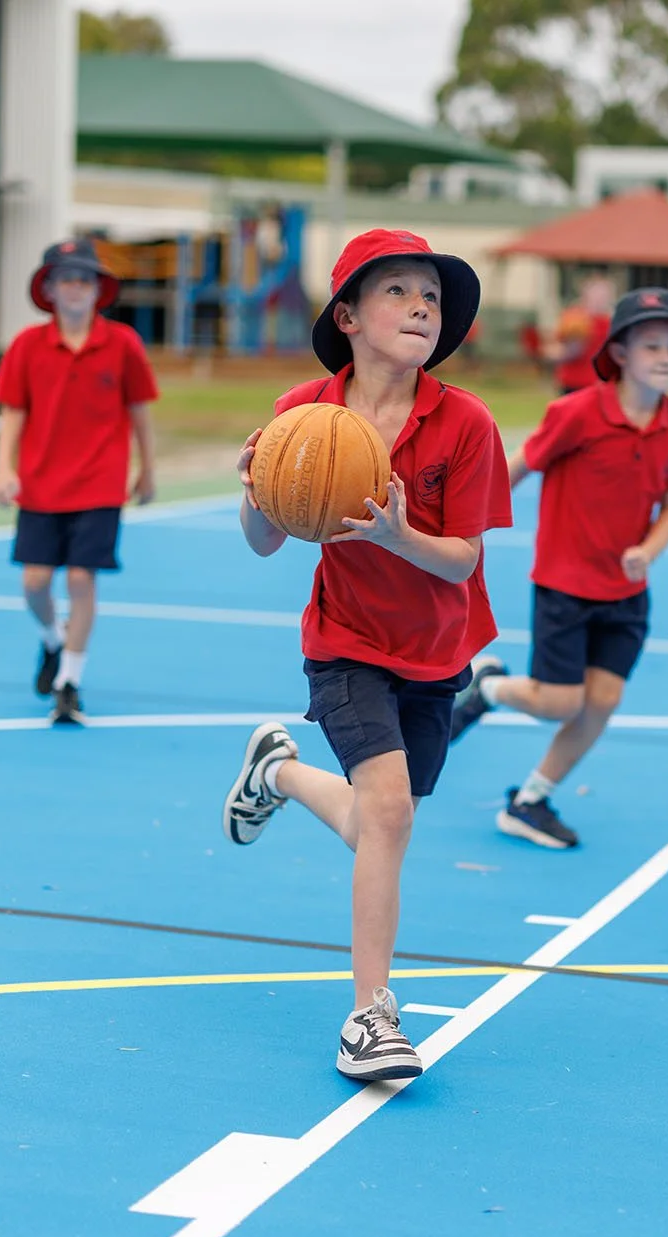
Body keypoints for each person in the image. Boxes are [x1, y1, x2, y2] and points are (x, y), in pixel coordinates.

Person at [222, 229, 511, 1082]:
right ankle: (369, 1016)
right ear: (347, 315)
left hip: (437, 647)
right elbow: (266, 543)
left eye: (432, 295)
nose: (422, 304)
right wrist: (255, 493)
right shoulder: (303, 417)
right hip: (345, 642)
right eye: (398, 292)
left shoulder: (464, 422)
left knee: (378, 819)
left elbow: (462, 558)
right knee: (386, 813)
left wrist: (397, 535)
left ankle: (274, 774)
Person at [449, 288, 668, 849]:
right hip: (565, 585)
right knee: (559, 703)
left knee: (604, 702)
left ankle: (531, 799)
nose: (666, 357)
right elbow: (520, 467)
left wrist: (649, 551)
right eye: (652, 345)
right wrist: (466, 524)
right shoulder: (576, 413)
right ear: (619, 353)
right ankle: (489, 690)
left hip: (627, 592)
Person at [0, 238, 158, 725]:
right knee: (35, 583)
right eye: (67, 279)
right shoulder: (26, 345)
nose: (76, 288)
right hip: (41, 483)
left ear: (97, 289)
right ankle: (52, 639)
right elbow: (12, 411)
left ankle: (70, 681)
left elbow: (140, 411)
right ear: (50, 288)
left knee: (82, 578)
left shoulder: (123, 343)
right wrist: (5, 468)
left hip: (100, 483)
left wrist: (147, 467)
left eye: (85, 280)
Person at [552, 276, 614, 397]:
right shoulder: (575, 318)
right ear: (586, 295)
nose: (600, 299)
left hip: (600, 383)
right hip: (574, 382)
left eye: (604, 295)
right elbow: (569, 350)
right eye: (597, 294)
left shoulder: (612, 321)